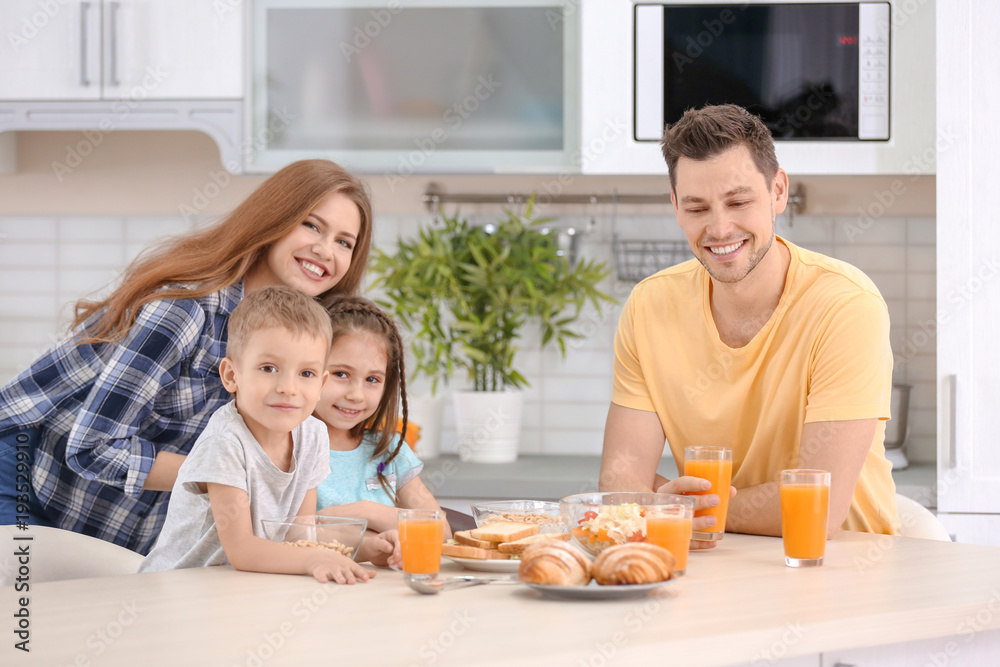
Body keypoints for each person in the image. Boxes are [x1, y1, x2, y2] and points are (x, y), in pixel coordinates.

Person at [0, 159, 373, 554]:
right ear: (274, 220)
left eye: (344, 242)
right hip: (27, 481)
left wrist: (369, 533)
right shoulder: (188, 310)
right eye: (311, 225)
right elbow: (91, 448)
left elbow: (292, 479)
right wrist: (228, 474)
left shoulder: (303, 342)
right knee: (31, 615)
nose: (324, 249)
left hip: (117, 521)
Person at [600, 104, 898, 538]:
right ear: (675, 206)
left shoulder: (845, 305)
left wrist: (674, 508)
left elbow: (820, 507)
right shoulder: (650, 305)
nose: (720, 229)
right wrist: (649, 501)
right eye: (697, 208)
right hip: (718, 568)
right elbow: (619, 483)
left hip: (844, 571)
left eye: (738, 202)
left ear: (778, 191)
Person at [140, 287, 397, 582]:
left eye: (306, 373)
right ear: (231, 375)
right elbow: (243, 551)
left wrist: (364, 548)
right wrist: (314, 559)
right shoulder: (226, 442)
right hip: (178, 587)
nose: (288, 387)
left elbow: (299, 532)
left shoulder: (312, 435)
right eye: (269, 368)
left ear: (321, 383)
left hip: (244, 586)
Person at [314, 295, 451, 538]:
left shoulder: (388, 451)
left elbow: (441, 533)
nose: (356, 395)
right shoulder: (290, 449)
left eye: (372, 380)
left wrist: (369, 512)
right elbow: (290, 533)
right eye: (341, 374)